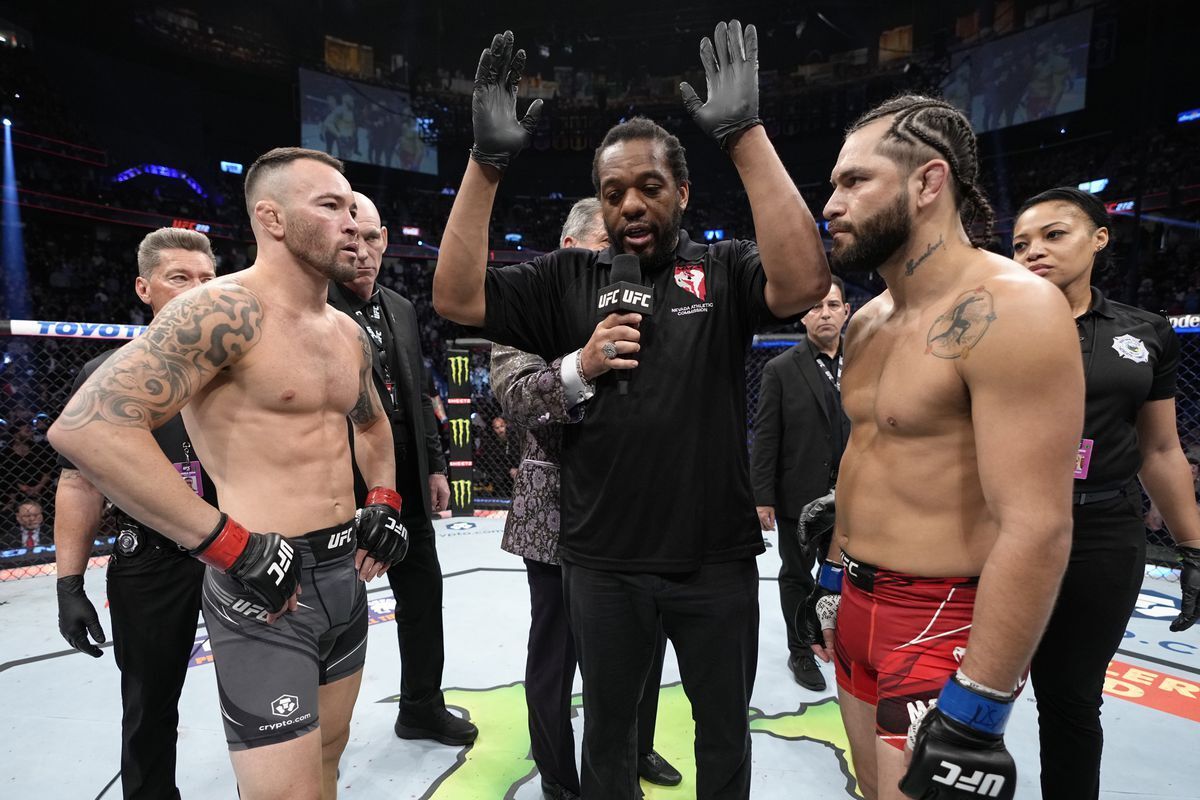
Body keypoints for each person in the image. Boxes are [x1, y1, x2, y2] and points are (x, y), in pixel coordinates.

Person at [433, 23, 829, 799]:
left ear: (683, 192)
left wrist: (745, 136)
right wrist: (485, 166)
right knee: (608, 744)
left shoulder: (720, 269)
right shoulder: (564, 281)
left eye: (649, 186)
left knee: (722, 738)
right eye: (614, 192)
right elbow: (454, 298)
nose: (631, 204)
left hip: (714, 560)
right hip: (601, 564)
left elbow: (806, 283)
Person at [48, 146, 410, 800]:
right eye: (329, 206)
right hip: (264, 592)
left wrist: (382, 498)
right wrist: (227, 543)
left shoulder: (347, 334)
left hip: (342, 577)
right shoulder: (223, 311)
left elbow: (371, 423)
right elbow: (87, 430)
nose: (352, 222)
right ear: (271, 218)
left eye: (353, 207)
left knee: (331, 758)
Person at [806, 95, 1084, 800]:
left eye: (853, 181)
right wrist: (833, 581)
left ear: (928, 182)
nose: (830, 203)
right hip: (858, 604)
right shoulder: (867, 322)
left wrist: (980, 707)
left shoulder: (1015, 308)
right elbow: (870, 456)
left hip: (939, 619)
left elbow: (1039, 524)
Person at [1011, 186, 1200, 799]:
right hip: (1001, 528)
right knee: (960, 689)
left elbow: (1161, 449)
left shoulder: (1144, 332)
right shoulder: (983, 322)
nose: (1033, 250)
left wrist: (1193, 546)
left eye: (1053, 234)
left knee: (1070, 701)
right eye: (1019, 244)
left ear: (1099, 238)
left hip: (1101, 534)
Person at [490, 198, 681, 800]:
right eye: (605, 249)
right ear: (571, 249)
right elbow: (516, 398)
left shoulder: (643, 298)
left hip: (639, 508)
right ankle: (557, 775)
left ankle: (634, 748)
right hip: (556, 515)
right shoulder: (528, 303)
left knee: (643, 647)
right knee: (556, 653)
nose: (617, 261)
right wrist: (584, 363)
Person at [53, 227, 219, 800]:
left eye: (207, 279)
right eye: (180, 279)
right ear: (144, 288)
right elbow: (78, 481)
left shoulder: (244, 368)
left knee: (273, 691)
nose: (197, 291)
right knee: (148, 704)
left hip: (244, 547)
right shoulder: (107, 374)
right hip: (152, 554)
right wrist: (68, 584)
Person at [327, 190, 478, 746]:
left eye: (371, 238)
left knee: (422, 602)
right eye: (350, 239)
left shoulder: (402, 307)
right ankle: (313, 737)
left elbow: (417, 396)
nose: (362, 250)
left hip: (407, 486)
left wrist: (436, 466)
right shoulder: (310, 305)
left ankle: (420, 706)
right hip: (336, 492)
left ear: (385, 240)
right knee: (330, 614)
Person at [752, 276, 851, 692]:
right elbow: (766, 436)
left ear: (847, 311)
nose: (824, 313)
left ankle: (844, 643)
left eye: (832, 305)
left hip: (860, 494)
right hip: (800, 495)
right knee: (797, 574)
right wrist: (762, 497)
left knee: (856, 574)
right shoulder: (780, 369)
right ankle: (800, 649)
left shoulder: (869, 361)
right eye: (816, 306)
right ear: (802, 314)